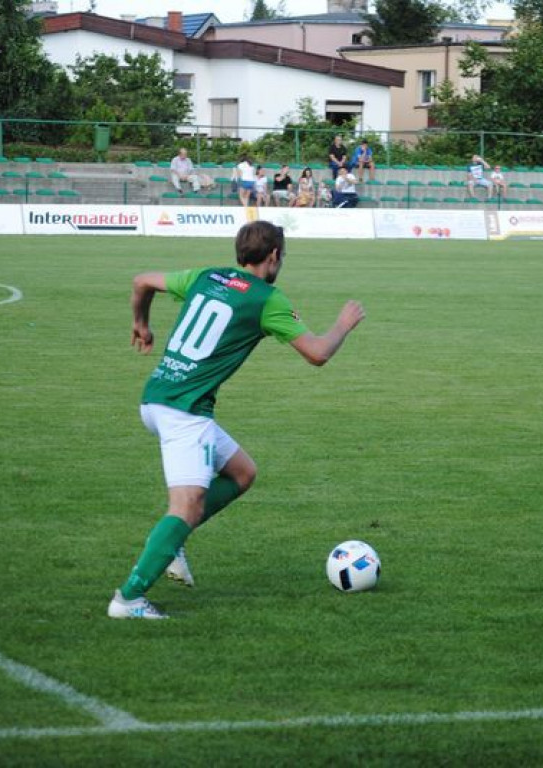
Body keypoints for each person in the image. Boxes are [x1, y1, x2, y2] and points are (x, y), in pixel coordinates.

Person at [107, 220, 366, 619]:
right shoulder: (266, 299)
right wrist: (342, 325)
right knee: (187, 506)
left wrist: (141, 323)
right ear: (275, 256)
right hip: (184, 411)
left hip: (157, 396)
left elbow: (141, 281)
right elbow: (317, 352)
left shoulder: (205, 276)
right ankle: (130, 598)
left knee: (242, 473)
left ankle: (173, 540)